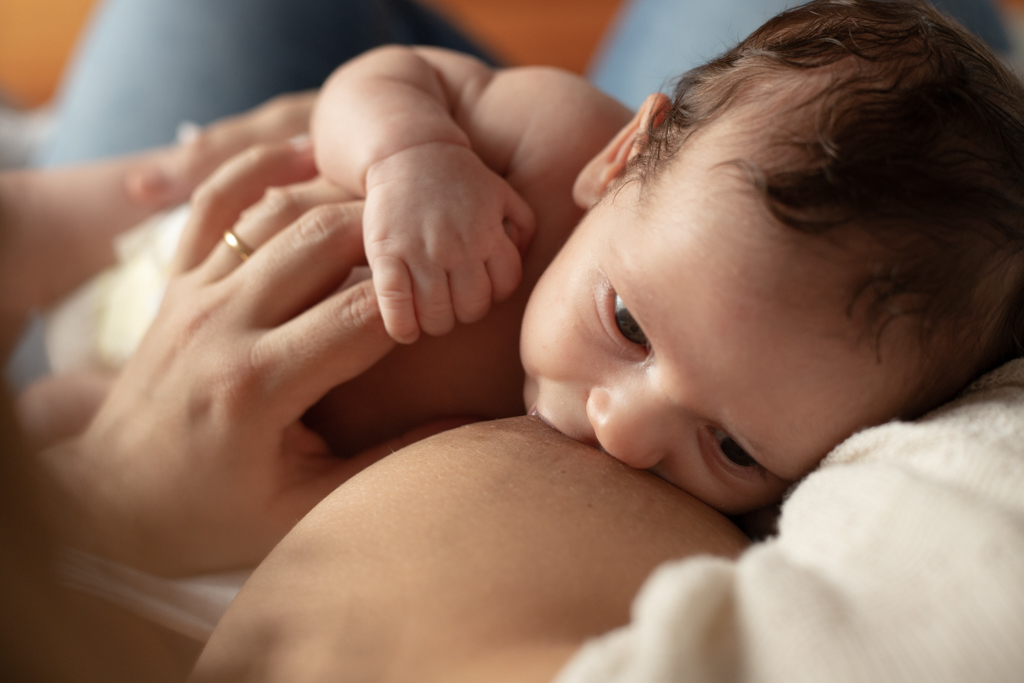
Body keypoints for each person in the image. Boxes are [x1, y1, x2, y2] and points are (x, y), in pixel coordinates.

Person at [25, 0, 1024, 519]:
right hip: (157, 260)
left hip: (139, 407)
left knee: (38, 437)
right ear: (619, 155)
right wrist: (410, 149)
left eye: (733, 448)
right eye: (627, 324)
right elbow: (390, 78)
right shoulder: (546, 146)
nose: (625, 428)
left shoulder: (602, 486)